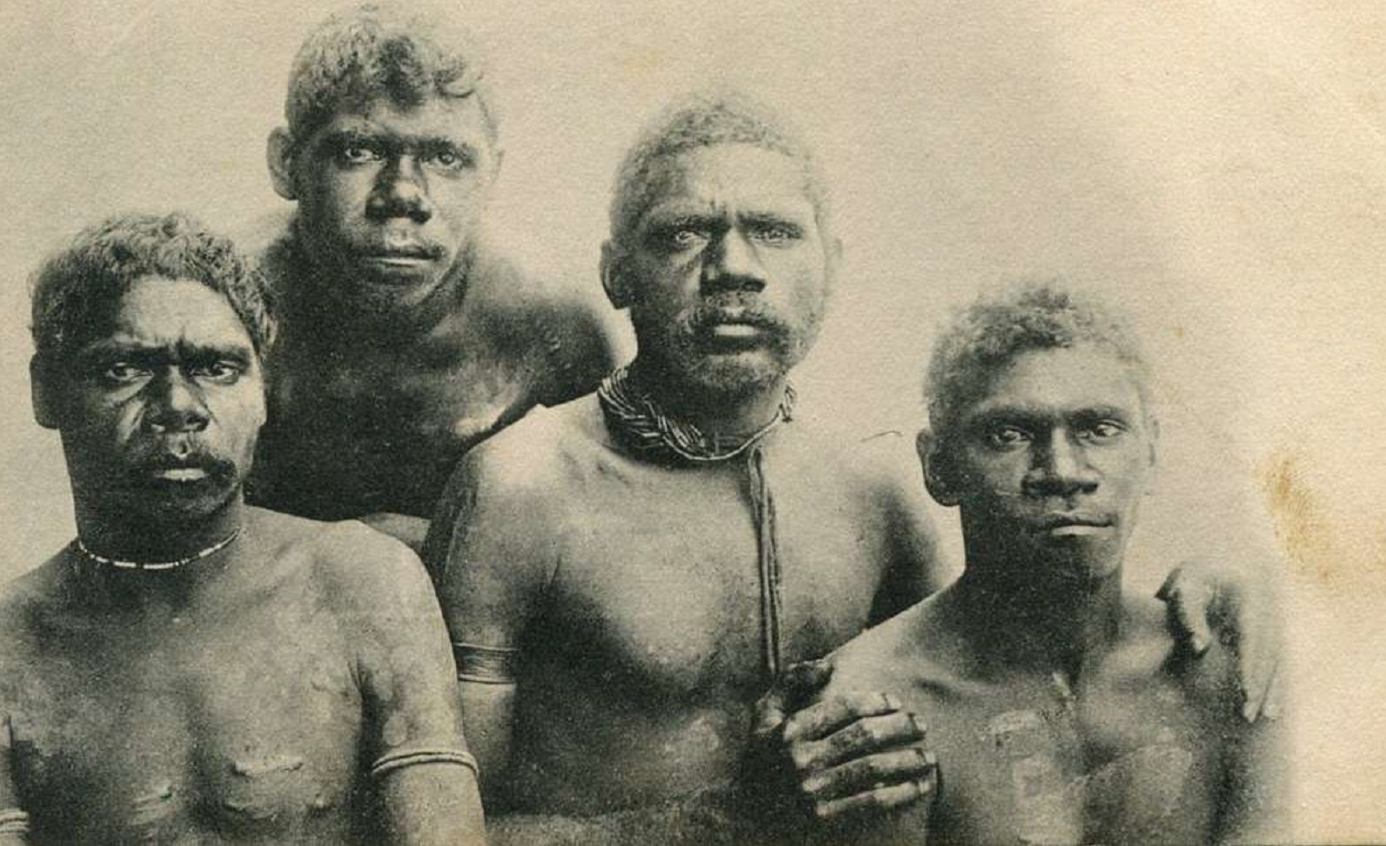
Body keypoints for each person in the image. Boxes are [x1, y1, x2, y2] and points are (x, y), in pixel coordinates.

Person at [423, 92, 1274, 844]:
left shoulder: (872, 494)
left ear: (832, 265)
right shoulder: (520, 490)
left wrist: (1221, 599)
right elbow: (427, 830)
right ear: (616, 272)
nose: (734, 269)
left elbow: (997, 674)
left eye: (774, 232)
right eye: (685, 232)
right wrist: (718, 825)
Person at [2, 212, 484, 844]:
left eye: (217, 368)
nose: (177, 407)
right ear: (47, 392)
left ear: (261, 389)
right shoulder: (12, 645)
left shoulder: (362, 584)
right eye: (124, 370)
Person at [818, 284, 1289, 845]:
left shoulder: (1234, 669)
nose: (1063, 471)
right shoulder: (874, 709)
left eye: (1099, 429)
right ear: (938, 466)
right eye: (1009, 434)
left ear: (1152, 453)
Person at [248, 2, 620, 546]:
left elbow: (601, 538)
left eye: (445, 157)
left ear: (491, 173)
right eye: (359, 151)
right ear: (286, 164)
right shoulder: (222, 305)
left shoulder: (555, 326)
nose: (403, 194)